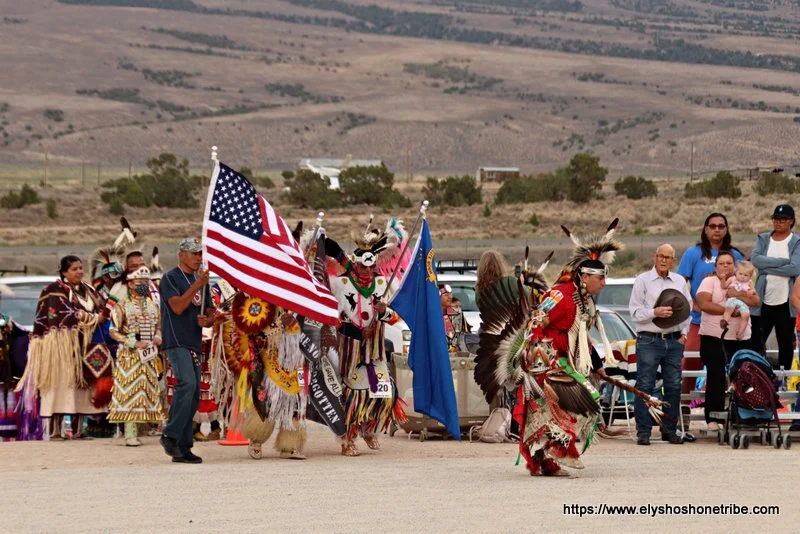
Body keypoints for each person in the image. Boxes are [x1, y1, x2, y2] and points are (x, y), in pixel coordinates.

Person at [476, 220, 626, 477]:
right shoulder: (560, 296)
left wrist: (597, 365)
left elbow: (580, 338)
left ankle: (543, 461)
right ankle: (558, 451)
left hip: (559, 362)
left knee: (549, 414)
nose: (603, 283)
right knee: (581, 401)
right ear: (586, 277)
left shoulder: (581, 301)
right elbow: (535, 323)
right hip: (543, 363)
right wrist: (539, 361)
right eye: (600, 278)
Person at [324, 219, 408, 457]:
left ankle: (369, 429)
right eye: (362, 268)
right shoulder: (341, 284)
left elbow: (394, 317)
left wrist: (384, 312)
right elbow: (332, 313)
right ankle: (347, 439)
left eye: (370, 269)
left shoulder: (383, 284)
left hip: (375, 348)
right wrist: (356, 331)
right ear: (356, 265)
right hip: (350, 348)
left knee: (384, 392)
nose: (367, 272)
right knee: (351, 393)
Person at [16, 256, 107, 439]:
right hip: (61, 348)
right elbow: (61, 314)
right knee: (61, 386)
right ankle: (56, 430)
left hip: (86, 346)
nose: (80, 271)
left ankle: (79, 429)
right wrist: (93, 318)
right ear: (64, 272)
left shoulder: (89, 289)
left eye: (81, 268)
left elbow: (102, 308)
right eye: (74, 269)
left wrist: (99, 315)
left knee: (84, 385)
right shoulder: (53, 290)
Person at [629, 244, 692, 445]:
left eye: (668, 257)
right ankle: (644, 432)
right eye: (661, 256)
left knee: (673, 386)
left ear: (673, 261)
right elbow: (635, 312)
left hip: (674, 340)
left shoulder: (680, 281)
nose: (664, 260)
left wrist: (683, 334)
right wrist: (654, 313)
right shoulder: (642, 280)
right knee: (645, 385)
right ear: (655, 257)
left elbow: (686, 310)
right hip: (649, 338)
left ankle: (669, 430)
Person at [158, 238, 214, 464]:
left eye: (201, 254)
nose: (199, 258)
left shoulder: (201, 280)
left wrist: (207, 320)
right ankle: (170, 434)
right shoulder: (170, 278)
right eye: (194, 254)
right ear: (181, 254)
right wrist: (197, 285)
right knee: (187, 383)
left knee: (193, 396)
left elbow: (210, 314)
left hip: (194, 340)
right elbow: (178, 306)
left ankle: (182, 446)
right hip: (175, 338)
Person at [676, 213, 745, 395]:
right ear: (706, 229)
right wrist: (692, 303)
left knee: (725, 367)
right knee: (690, 364)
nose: (716, 229)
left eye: (721, 226)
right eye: (712, 226)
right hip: (698, 321)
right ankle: (684, 410)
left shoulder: (735, 255)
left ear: (726, 229)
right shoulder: (693, 253)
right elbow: (679, 284)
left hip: (728, 322)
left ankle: (723, 410)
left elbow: (745, 285)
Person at [695, 251, 760, 431]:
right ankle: (713, 418)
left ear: (734, 266)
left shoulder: (743, 281)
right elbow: (703, 303)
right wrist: (729, 309)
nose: (726, 266)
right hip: (714, 337)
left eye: (729, 263)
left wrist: (737, 297)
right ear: (715, 267)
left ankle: (742, 415)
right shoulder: (709, 281)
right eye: (722, 263)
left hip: (740, 338)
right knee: (716, 376)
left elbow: (755, 301)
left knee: (743, 376)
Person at [106, 266, 163, 446]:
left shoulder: (153, 306)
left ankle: (143, 429)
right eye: (140, 282)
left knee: (146, 391)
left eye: (147, 282)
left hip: (149, 356)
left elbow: (159, 327)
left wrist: (157, 337)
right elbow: (113, 331)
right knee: (129, 391)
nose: (144, 285)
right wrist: (132, 343)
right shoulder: (120, 307)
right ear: (130, 284)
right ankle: (130, 433)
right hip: (129, 356)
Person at [751, 204, 800, 370]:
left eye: (782, 219)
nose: (778, 222)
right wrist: (782, 263)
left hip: (785, 303)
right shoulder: (763, 239)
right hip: (763, 301)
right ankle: (757, 377)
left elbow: (795, 268)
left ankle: (785, 380)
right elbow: (756, 260)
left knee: (785, 343)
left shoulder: (796, 242)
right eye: (776, 219)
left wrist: (766, 266)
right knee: (758, 342)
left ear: (791, 221)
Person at [720, 260, 756, 340]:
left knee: (745, 316)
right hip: (732, 300)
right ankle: (724, 321)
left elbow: (754, 291)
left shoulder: (749, 282)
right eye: (740, 274)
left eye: (746, 275)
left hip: (743, 303)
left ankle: (740, 332)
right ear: (736, 272)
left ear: (750, 276)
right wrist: (723, 279)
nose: (742, 276)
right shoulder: (732, 279)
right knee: (729, 309)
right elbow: (724, 286)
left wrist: (751, 292)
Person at [440, 284, 469, 354]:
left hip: (456, 354)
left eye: (450, 294)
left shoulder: (458, 313)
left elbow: (464, 334)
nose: (450, 297)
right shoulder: (430, 315)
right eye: (446, 295)